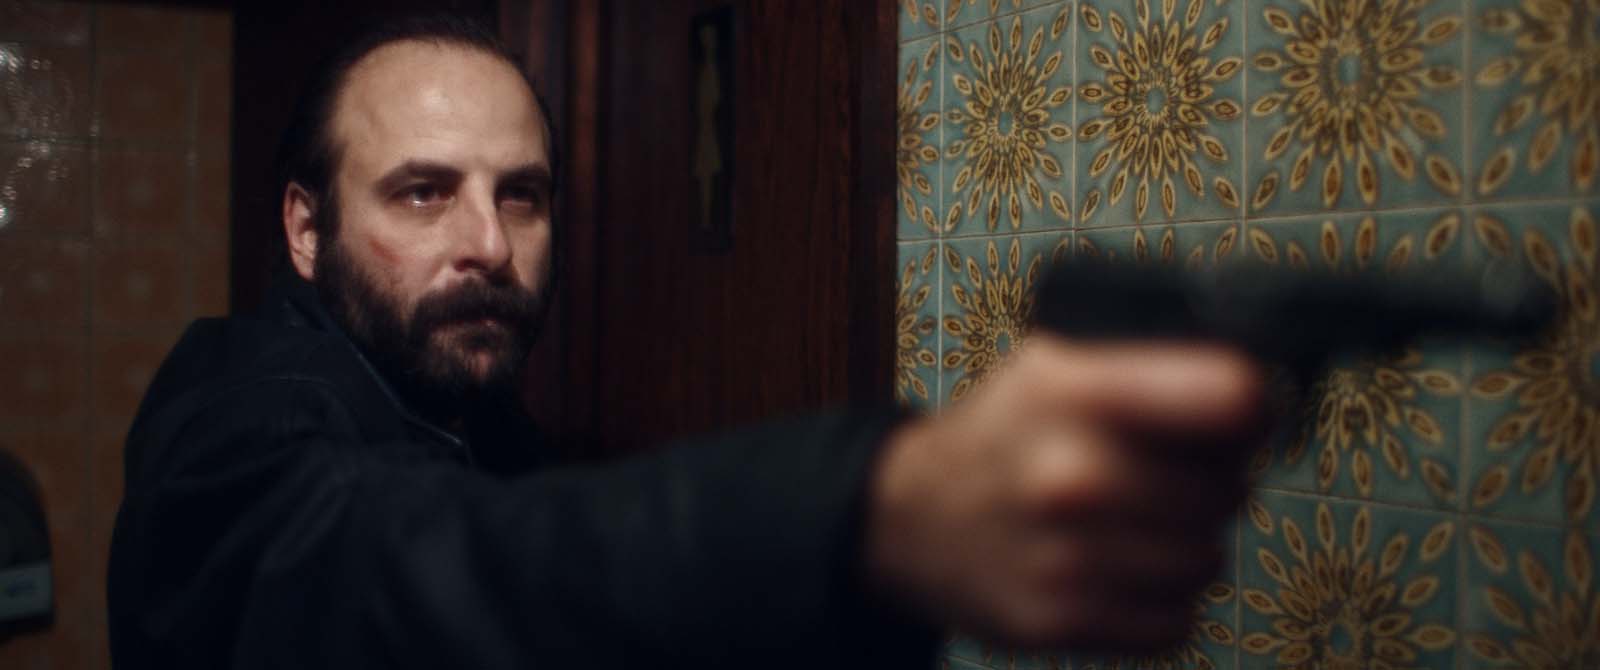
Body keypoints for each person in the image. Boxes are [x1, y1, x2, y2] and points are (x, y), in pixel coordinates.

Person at [107, 14, 1267, 669]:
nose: (489, 245)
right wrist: (862, 509)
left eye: (522, 196)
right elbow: (389, 569)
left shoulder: (472, 407)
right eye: (422, 193)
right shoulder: (236, 412)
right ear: (306, 228)